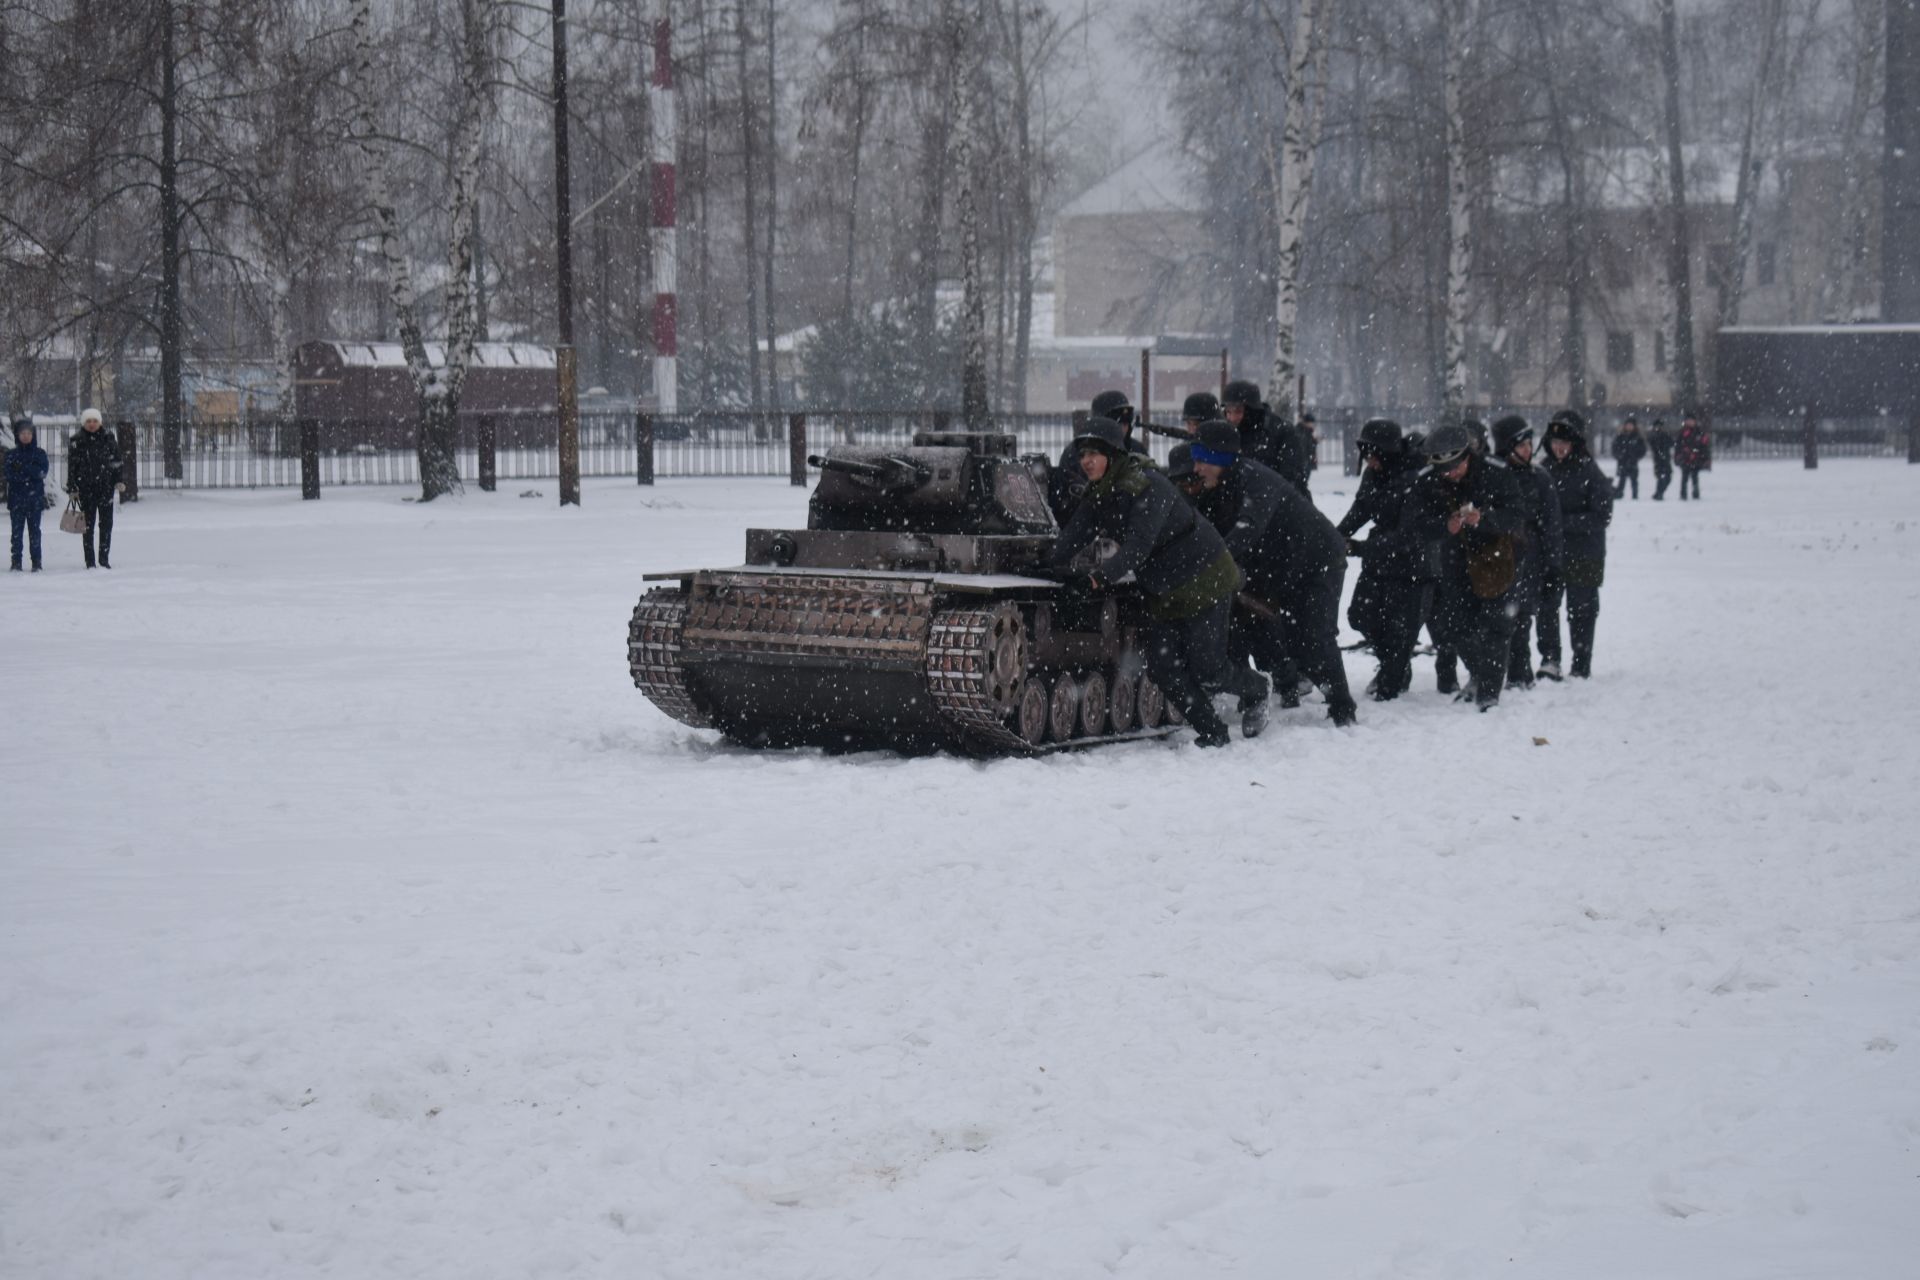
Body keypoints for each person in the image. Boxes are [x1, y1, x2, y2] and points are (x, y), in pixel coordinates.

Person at [1047, 416, 1264, 746]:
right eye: (1082, 455)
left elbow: (1137, 547)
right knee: (1164, 669)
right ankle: (1213, 731)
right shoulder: (1100, 493)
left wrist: (1094, 581)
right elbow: (1072, 537)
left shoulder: (1148, 486)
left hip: (1204, 577)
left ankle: (1259, 688)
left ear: (1113, 454)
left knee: (1209, 669)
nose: (1086, 461)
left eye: (1094, 453)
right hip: (1165, 588)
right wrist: (1042, 566)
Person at [1183, 419, 1358, 726]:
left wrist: (1210, 562)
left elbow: (1247, 529)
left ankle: (1342, 707)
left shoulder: (1255, 481)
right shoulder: (1222, 482)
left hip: (1318, 561)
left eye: (1202, 461)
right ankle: (1270, 689)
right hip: (1281, 565)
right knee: (1261, 627)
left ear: (1221, 458)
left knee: (1315, 637)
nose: (1196, 468)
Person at [1408, 423, 1526, 711]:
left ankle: (1488, 692)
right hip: (1455, 561)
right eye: (1443, 470)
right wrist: (1443, 526)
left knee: (1497, 627)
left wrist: (1484, 519)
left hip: (1497, 559)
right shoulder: (1429, 480)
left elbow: (1517, 513)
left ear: (1467, 456)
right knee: (1457, 626)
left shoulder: (1496, 472)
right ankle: (1479, 673)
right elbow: (1416, 522)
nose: (1449, 475)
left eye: (1454, 468)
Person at [1337, 418, 1426, 701]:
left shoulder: (1415, 478)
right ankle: (1392, 666)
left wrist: (1360, 548)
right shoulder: (1373, 475)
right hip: (1378, 557)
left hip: (1411, 563)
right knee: (1360, 615)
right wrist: (1335, 536)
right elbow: (1361, 508)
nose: (1369, 461)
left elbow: (1406, 536)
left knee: (1398, 627)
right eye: (1366, 454)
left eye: (1374, 454)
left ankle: (1392, 677)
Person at [1536, 410, 1614, 679]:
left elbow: (1601, 515)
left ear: (1575, 443)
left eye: (1565, 443)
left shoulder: (1590, 471)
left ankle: (1581, 661)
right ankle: (1550, 659)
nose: (1560, 448)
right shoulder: (1543, 469)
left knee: (1582, 609)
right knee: (1547, 607)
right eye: (1555, 442)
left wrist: (1561, 522)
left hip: (1585, 552)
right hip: (1550, 554)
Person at [1491, 415, 1563, 689]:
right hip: (1498, 558)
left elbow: (1552, 526)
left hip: (1529, 558)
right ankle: (1501, 671)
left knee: (1521, 618)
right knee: (1500, 620)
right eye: (1520, 445)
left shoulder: (1539, 478)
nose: (1527, 450)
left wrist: (1553, 566)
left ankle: (1520, 675)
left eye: (1529, 444)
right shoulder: (1493, 475)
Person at [1048, 390, 1153, 520]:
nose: (1122, 429)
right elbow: (1070, 494)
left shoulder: (1136, 450)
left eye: (1125, 423)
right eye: (1117, 423)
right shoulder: (1075, 453)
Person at [1220, 380, 1311, 495]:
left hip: (1278, 504)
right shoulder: (1226, 434)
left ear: (1251, 410)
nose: (1231, 418)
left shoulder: (1281, 432)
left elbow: (1292, 480)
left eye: (1238, 411)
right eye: (1228, 412)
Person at [66, 408, 124, 569]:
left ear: (100, 422)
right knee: (87, 527)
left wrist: (118, 480)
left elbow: (117, 462)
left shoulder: (108, 439)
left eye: (95, 421)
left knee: (106, 524)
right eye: (88, 421)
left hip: (105, 488)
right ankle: (90, 561)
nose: (92, 424)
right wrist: (72, 487)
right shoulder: (77, 441)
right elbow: (72, 466)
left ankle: (104, 559)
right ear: (84, 423)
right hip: (86, 489)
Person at [6, 418, 49, 572]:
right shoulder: (11, 454)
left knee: (35, 532)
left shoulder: (40, 453)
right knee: (16, 533)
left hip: (34, 501)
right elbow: (9, 475)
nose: (25, 436)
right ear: (17, 435)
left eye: (28, 433)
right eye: (22, 433)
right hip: (16, 500)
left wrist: (23, 469)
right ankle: (16, 561)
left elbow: (42, 472)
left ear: (33, 435)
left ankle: (36, 562)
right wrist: (30, 472)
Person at [1675, 410, 1710, 500]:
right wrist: (1680, 455)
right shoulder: (1682, 432)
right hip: (1685, 459)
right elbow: (1678, 446)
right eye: (1688, 420)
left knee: (1695, 477)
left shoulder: (1699, 432)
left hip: (1695, 458)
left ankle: (1695, 494)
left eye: (1691, 420)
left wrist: (1703, 457)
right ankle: (1683, 495)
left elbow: (1704, 446)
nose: (1690, 422)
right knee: (1684, 477)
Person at [1611, 415, 1647, 499]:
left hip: (1633, 462)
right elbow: (1614, 448)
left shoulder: (1638, 437)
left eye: (1631, 425)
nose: (1629, 427)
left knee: (1634, 480)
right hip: (1622, 462)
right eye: (1627, 425)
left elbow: (1643, 449)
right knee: (1622, 480)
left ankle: (1635, 495)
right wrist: (1619, 455)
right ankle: (1619, 495)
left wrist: (1636, 456)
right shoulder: (1620, 437)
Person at [1648, 417, 1675, 500]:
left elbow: (1672, 443)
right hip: (1658, 460)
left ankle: (1659, 493)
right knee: (1661, 478)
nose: (1658, 428)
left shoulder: (1665, 435)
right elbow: (1654, 446)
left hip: (1666, 460)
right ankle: (1659, 494)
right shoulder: (1653, 436)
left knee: (1667, 478)